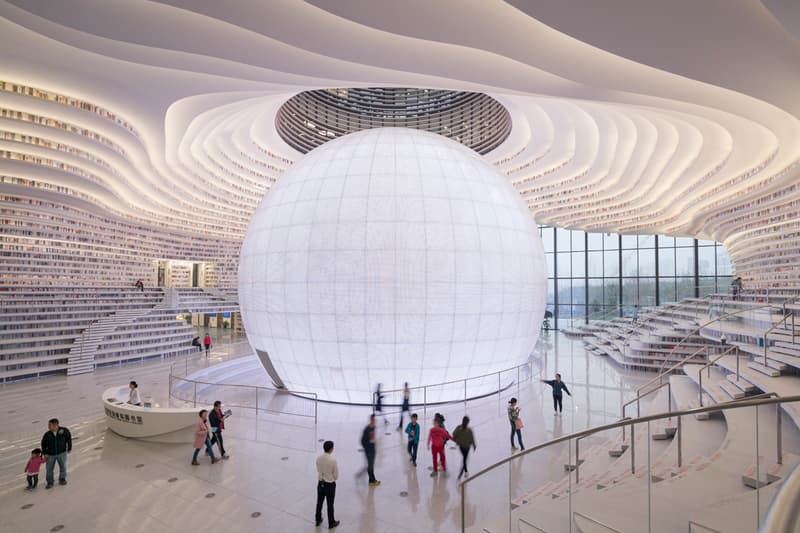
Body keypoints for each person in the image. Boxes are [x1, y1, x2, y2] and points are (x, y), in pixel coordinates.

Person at [315, 440, 340, 529]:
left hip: (320, 483)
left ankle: (318, 519)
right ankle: (331, 522)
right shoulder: (332, 460)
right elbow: (336, 476)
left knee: (319, 502)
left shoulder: (318, 458)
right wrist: (331, 477)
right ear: (331, 449)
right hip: (330, 485)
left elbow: (318, 470)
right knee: (330, 504)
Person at [41, 418, 72, 488]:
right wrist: (45, 453)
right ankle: (50, 482)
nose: (48, 426)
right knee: (49, 469)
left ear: (55, 425)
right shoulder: (47, 434)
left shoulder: (64, 431)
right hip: (50, 455)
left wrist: (69, 447)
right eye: (48, 425)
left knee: (63, 466)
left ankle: (62, 479)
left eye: (50, 425)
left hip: (62, 453)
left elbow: (69, 439)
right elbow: (43, 444)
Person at [452, 416, 476, 480]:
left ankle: (465, 471)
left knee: (464, 459)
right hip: (466, 447)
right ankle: (463, 472)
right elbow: (472, 438)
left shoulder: (459, 428)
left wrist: (456, 440)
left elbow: (454, 434)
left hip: (461, 446)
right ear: (468, 422)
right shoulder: (468, 430)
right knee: (465, 459)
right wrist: (474, 445)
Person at [360, 414, 380, 486]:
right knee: (370, 466)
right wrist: (368, 448)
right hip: (369, 451)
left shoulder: (373, 427)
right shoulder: (367, 429)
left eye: (375, 420)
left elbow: (372, 439)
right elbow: (362, 441)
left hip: (372, 449)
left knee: (371, 465)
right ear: (371, 420)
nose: (375, 421)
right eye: (374, 420)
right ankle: (372, 481)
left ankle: (371, 480)